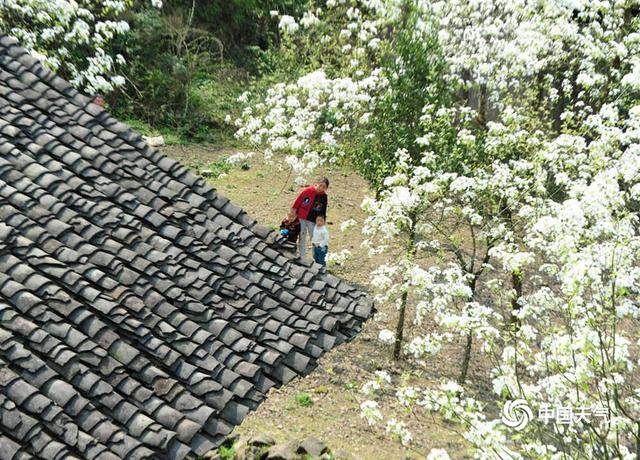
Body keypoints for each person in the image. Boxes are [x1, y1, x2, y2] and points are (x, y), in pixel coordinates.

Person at [290, 177, 329, 260]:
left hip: (313, 220)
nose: (321, 188)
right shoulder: (308, 190)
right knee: (302, 236)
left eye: (324, 187)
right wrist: (293, 212)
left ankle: (318, 257)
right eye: (320, 185)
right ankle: (302, 257)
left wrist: (322, 221)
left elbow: (323, 210)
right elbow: (298, 201)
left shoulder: (324, 197)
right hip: (302, 218)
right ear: (316, 183)